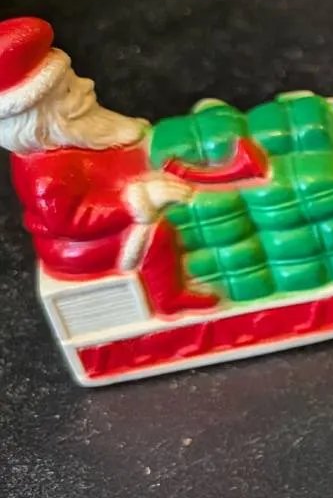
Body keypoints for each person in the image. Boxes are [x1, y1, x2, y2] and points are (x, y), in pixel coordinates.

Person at [0, 16, 217, 314]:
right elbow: (72, 219)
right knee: (159, 233)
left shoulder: (80, 132)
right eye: (68, 90)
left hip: (111, 206)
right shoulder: (47, 174)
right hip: (83, 244)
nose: (87, 85)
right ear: (41, 120)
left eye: (74, 78)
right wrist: (137, 199)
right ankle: (169, 298)